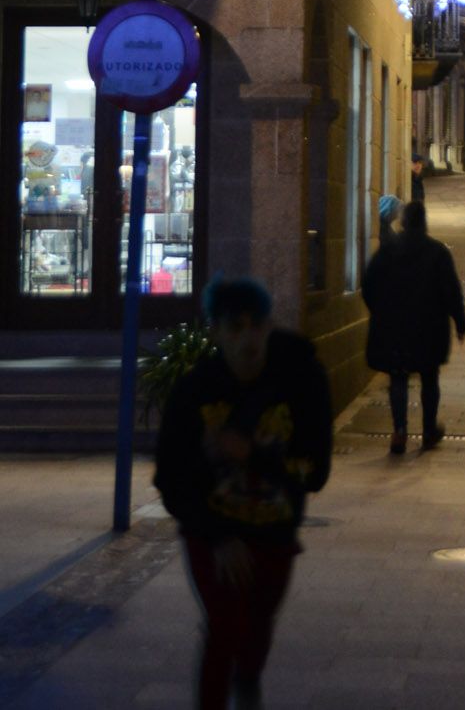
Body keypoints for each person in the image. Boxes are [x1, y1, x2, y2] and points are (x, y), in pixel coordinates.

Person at [154, 276, 333, 710]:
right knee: (223, 628)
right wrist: (216, 536)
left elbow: (316, 471)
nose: (248, 338)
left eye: (257, 325)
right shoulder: (195, 392)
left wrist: (251, 454)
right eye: (235, 327)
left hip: (273, 532)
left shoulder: (301, 379)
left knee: (257, 627)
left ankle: (248, 679)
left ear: (269, 325)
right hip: (213, 532)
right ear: (215, 331)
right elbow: (172, 478)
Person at [361, 198, 465, 454]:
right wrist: (460, 322)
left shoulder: (388, 251)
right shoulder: (437, 252)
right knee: (429, 378)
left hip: (394, 328)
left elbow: (369, 284)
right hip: (429, 329)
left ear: (404, 221)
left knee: (398, 376)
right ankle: (429, 430)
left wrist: (380, 312)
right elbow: (451, 291)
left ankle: (399, 431)